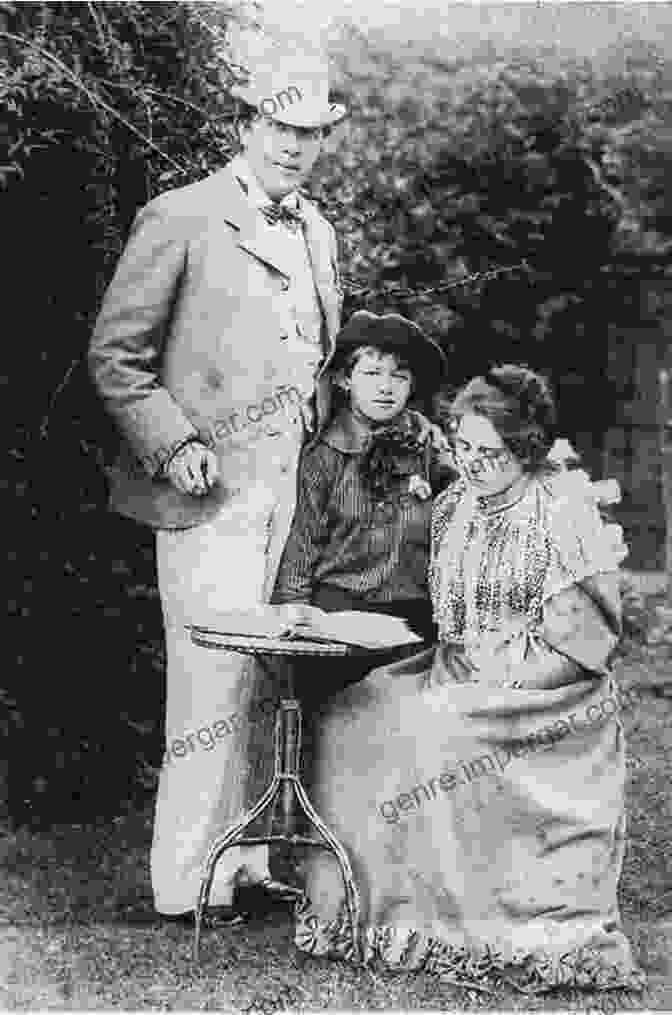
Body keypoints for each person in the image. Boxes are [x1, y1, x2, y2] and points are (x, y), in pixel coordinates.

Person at [88, 37, 348, 924]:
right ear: (246, 125)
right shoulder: (181, 214)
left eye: (309, 132)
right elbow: (116, 357)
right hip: (206, 493)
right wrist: (170, 444)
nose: (293, 144)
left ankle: (248, 862)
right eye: (280, 126)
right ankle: (184, 882)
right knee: (208, 685)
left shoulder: (316, 229)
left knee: (274, 677)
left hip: (292, 491)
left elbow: (317, 362)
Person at [293, 365, 644, 993]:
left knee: (436, 727)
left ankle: (468, 923)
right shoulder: (454, 505)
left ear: (526, 449)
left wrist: (499, 680)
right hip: (456, 665)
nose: (474, 464)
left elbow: (585, 647)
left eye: (491, 453)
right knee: (352, 714)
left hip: (546, 689)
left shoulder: (561, 511)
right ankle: (373, 915)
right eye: (464, 449)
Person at [273, 310, 450, 697]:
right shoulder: (325, 456)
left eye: (399, 376)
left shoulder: (428, 446)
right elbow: (302, 543)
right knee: (337, 722)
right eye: (372, 374)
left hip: (413, 615)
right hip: (339, 615)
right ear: (344, 379)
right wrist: (293, 616)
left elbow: (462, 516)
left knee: (406, 725)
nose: (386, 387)